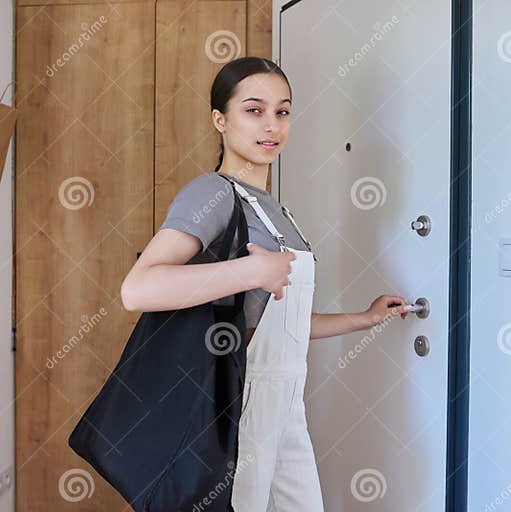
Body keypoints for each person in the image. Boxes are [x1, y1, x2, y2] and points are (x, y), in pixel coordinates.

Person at [120, 56, 409, 511]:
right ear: (220, 119)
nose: (271, 125)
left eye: (283, 110)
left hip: (287, 395)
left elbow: (278, 321)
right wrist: (250, 271)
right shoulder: (213, 193)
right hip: (244, 397)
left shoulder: (275, 209)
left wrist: (363, 318)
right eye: (254, 110)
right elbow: (138, 289)